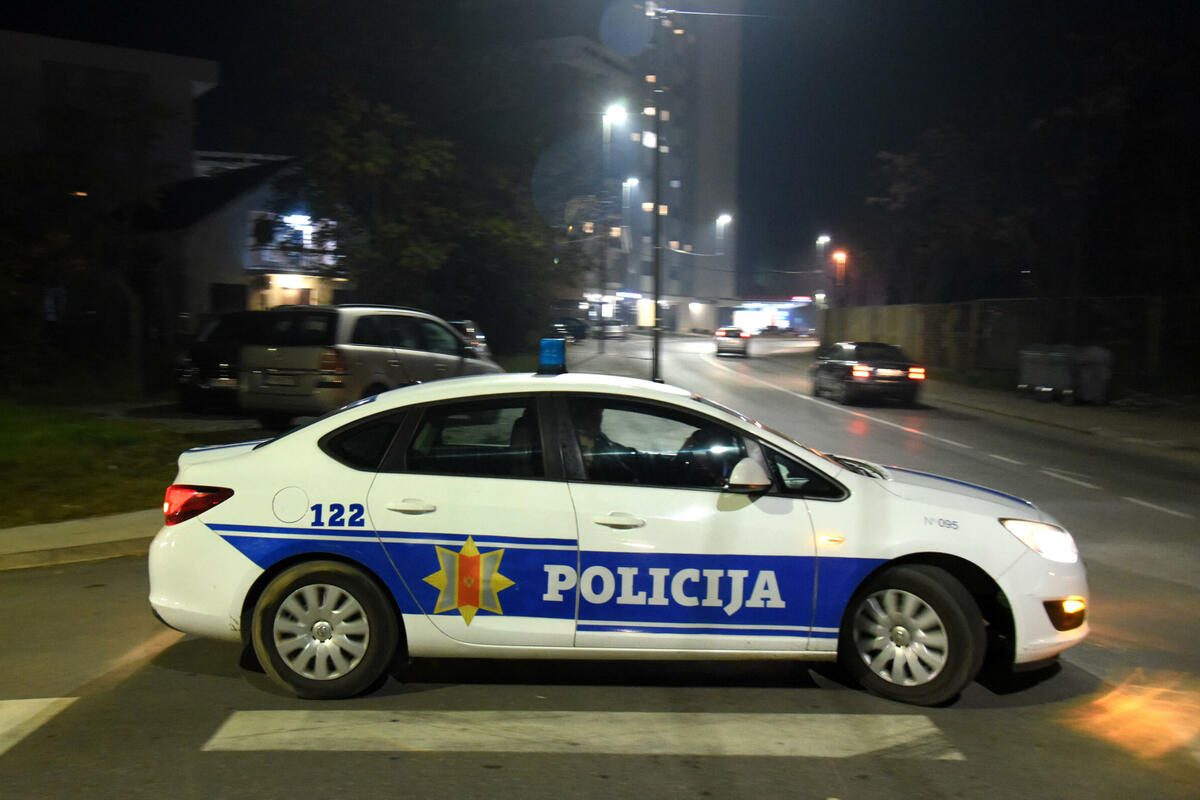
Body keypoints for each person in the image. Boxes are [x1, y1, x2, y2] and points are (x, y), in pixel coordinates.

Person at [572, 402, 640, 483]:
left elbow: (634, 458)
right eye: (591, 411)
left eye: (599, 411)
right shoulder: (569, 446)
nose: (598, 418)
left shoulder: (603, 444)